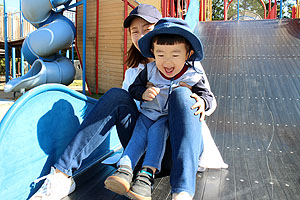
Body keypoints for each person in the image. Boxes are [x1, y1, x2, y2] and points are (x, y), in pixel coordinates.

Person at [30, 4, 227, 200]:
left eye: (147, 29)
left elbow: (207, 100)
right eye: (135, 31)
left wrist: (200, 100)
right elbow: (128, 105)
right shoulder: (135, 71)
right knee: (117, 95)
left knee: (182, 95)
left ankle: (183, 188)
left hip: (175, 148)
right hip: (141, 142)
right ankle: (62, 175)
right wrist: (143, 92)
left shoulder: (189, 67)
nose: (140, 35)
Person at [104, 17, 214, 200]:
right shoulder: (150, 70)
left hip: (167, 121)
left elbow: (208, 96)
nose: (167, 62)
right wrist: (143, 93)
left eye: (175, 55)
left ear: (188, 54)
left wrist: (203, 102)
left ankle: (147, 175)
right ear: (153, 53)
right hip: (148, 114)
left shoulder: (193, 75)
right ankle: (124, 170)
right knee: (138, 135)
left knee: (157, 133)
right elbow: (134, 88)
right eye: (161, 55)